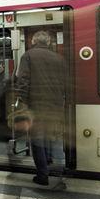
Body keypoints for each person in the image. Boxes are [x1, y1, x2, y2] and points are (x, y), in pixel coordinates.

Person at [15, 31, 65, 186]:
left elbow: (23, 80)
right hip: (55, 105)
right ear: (49, 42)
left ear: (33, 40)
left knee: (37, 138)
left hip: (36, 105)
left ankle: (43, 175)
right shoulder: (59, 58)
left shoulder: (28, 56)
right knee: (49, 135)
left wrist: (21, 101)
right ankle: (48, 161)